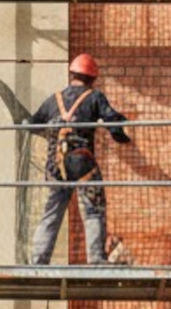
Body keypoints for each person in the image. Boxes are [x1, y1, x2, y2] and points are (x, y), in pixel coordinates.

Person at [28, 53, 132, 266]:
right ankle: (95, 258)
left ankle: (39, 260)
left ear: (72, 74)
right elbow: (111, 120)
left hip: (55, 165)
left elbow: (33, 124)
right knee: (94, 209)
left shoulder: (53, 100)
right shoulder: (94, 98)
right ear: (92, 78)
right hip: (82, 163)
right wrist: (120, 134)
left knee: (51, 213)